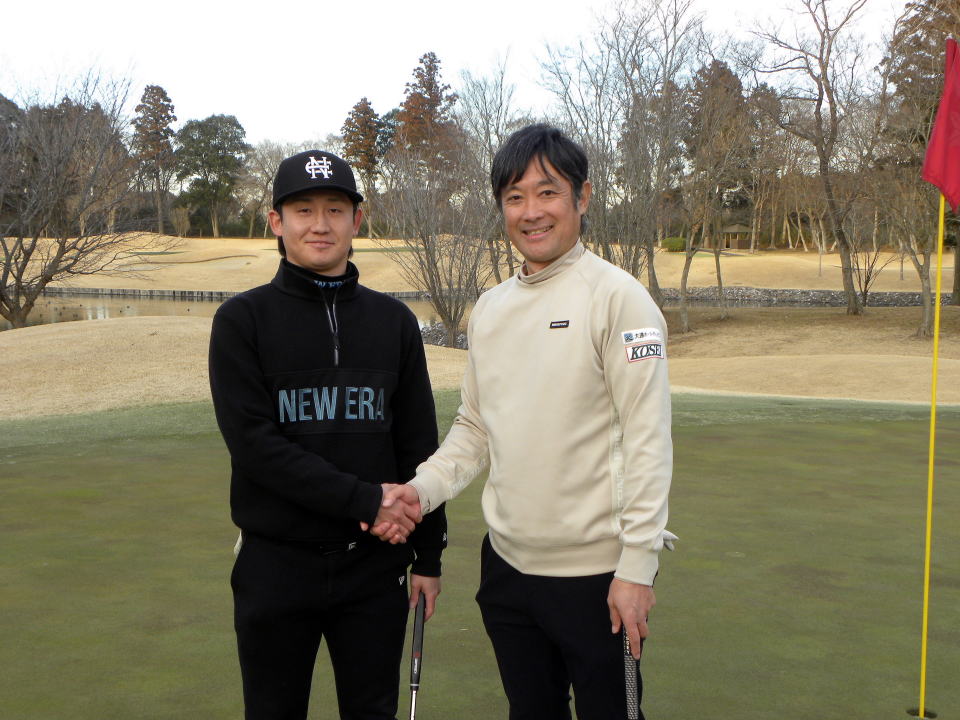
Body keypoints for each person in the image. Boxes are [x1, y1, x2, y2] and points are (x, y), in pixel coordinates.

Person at [379, 125, 674, 720]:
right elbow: (475, 427)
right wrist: (419, 491)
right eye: (515, 197)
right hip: (508, 571)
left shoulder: (618, 299)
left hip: (597, 578)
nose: (531, 211)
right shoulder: (491, 308)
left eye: (547, 192)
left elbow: (647, 439)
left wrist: (638, 568)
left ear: (582, 197)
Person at [208, 148, 446, 720]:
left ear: (356, 220)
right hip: (275, 566)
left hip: (373, 569)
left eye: (336, 209)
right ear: (276, 222)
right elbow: (257, 447)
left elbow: (418, 444)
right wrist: (365, 500)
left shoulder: (394, 322)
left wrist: (428, 556)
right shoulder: (242, 321)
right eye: (304, 210)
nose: (320, 224)